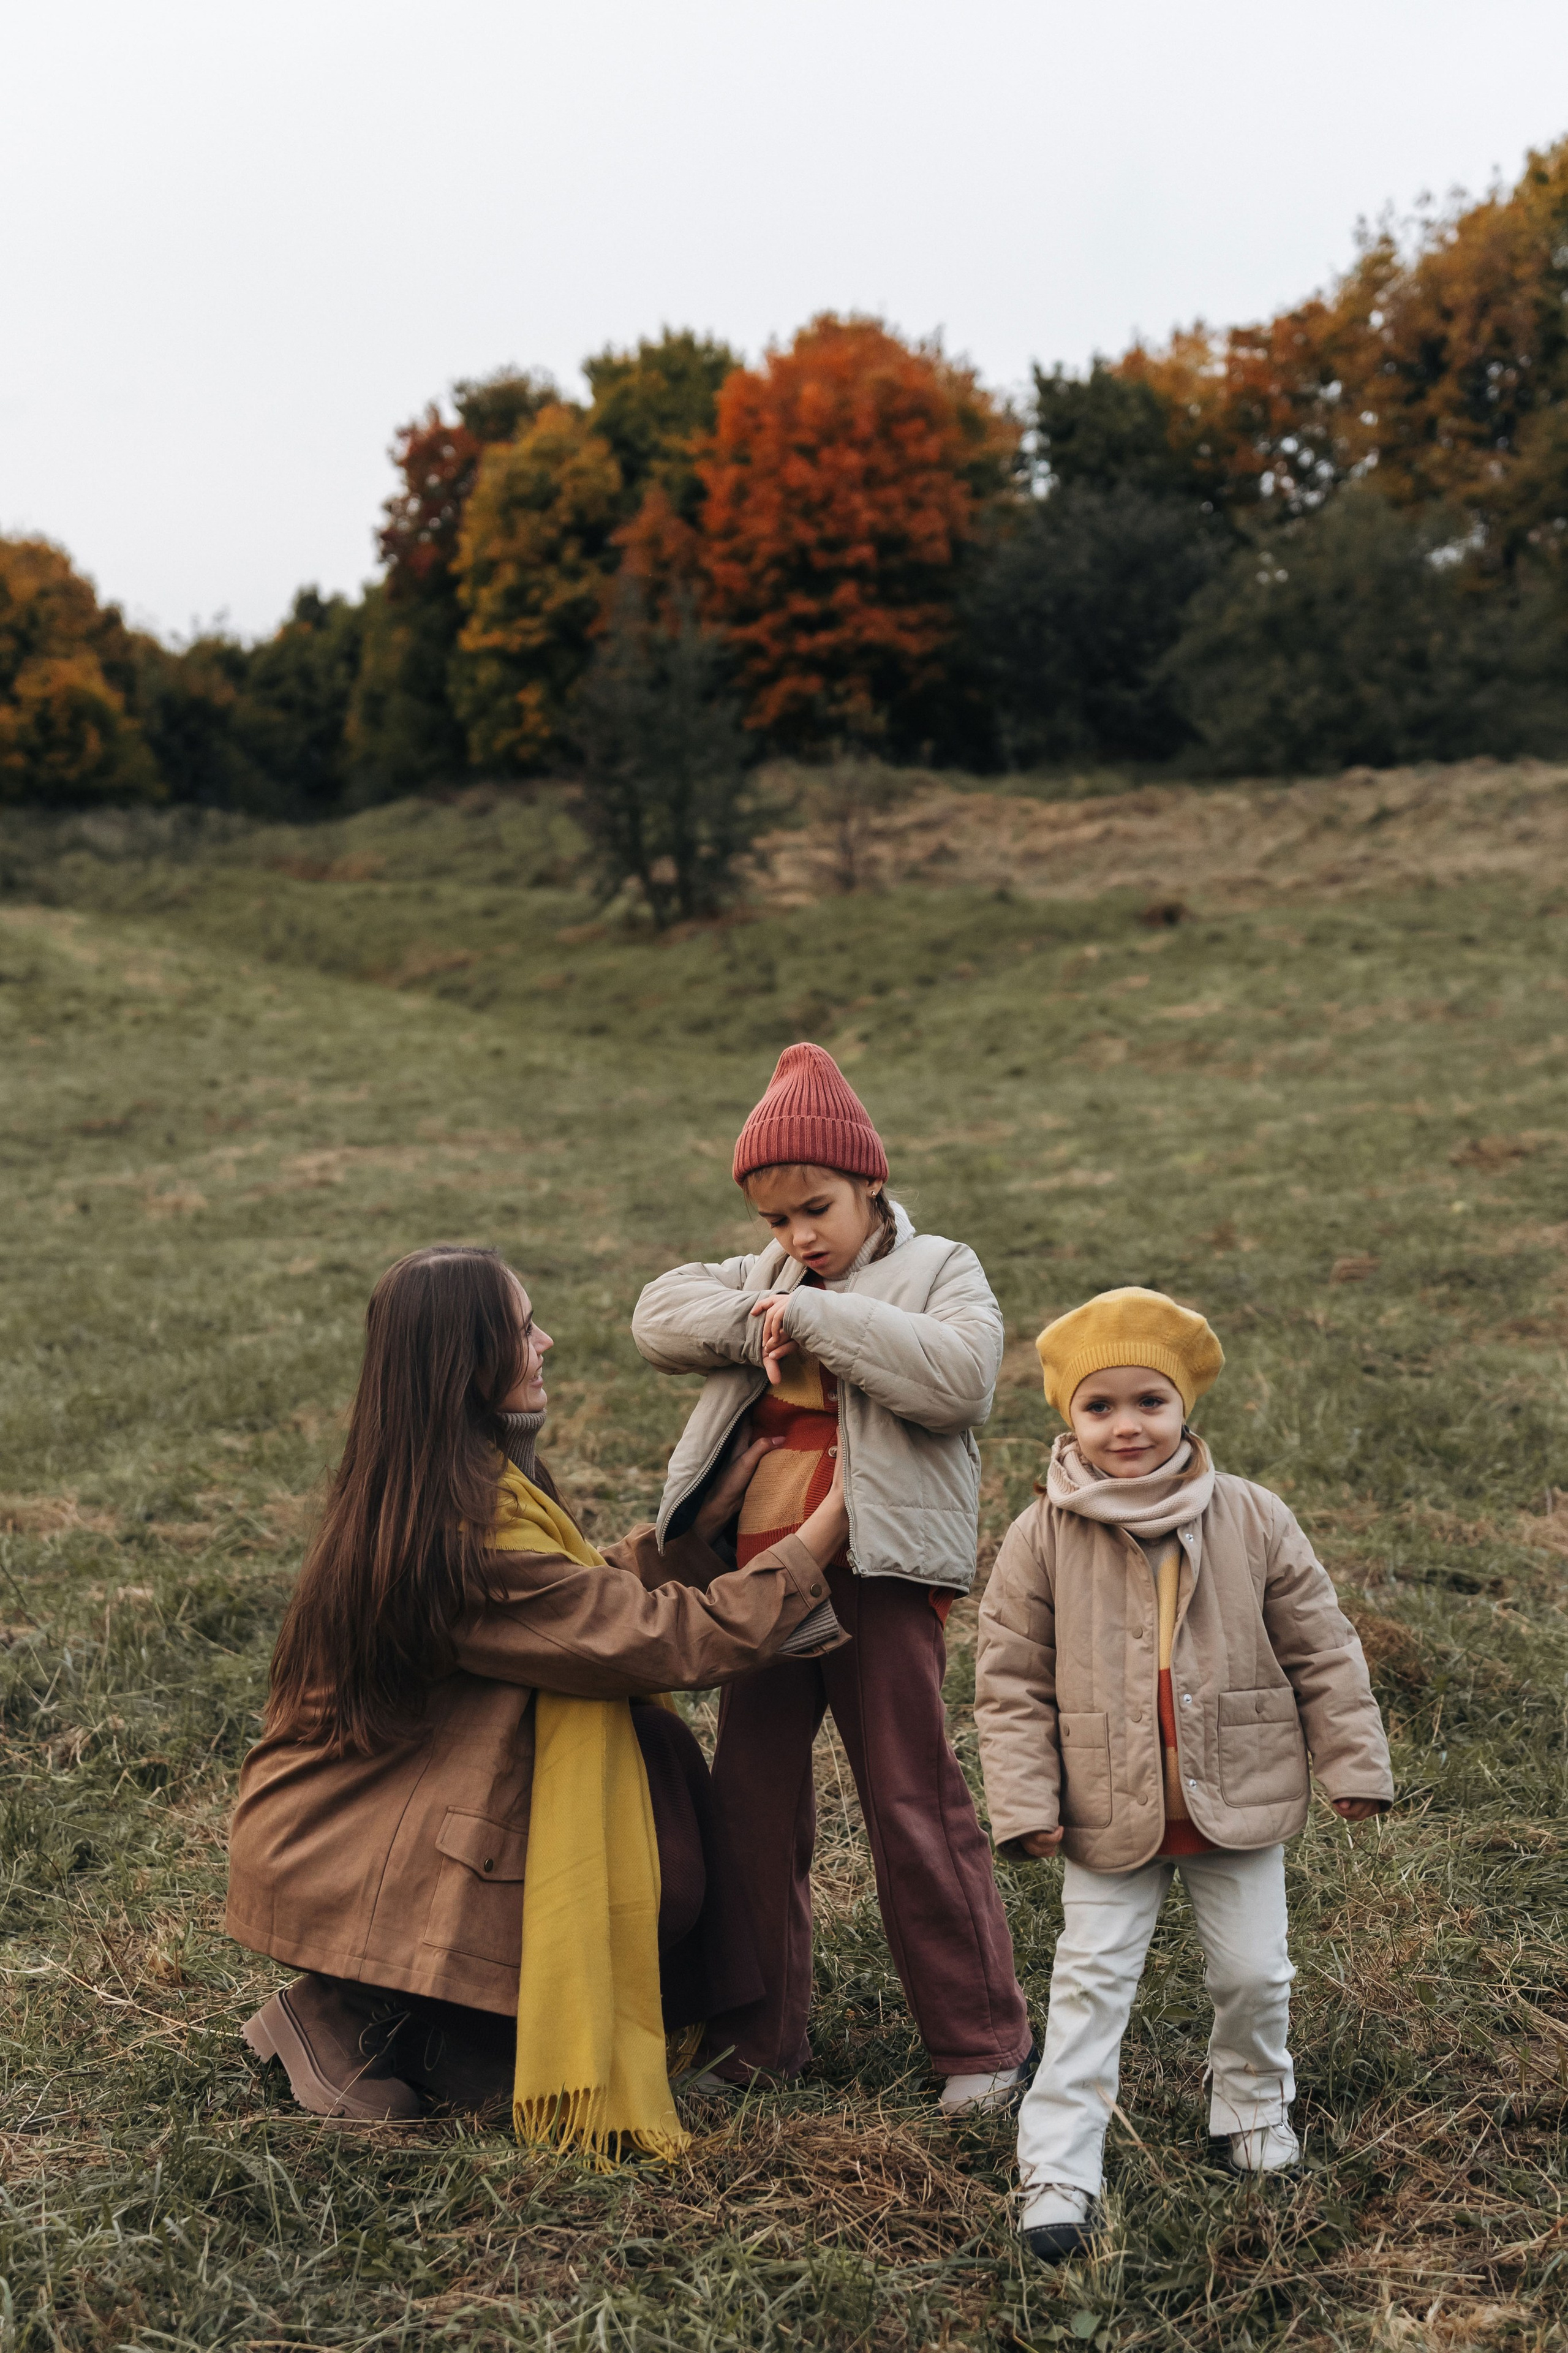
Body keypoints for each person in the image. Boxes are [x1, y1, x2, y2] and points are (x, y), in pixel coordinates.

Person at [227, 1243, 847, 2156]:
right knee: (634, 1856)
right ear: (467, 1364)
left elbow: (577, 1600)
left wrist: (694, 1534)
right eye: (524, 1329)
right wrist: (820, 1538)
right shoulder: (456, 1534)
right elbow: (646, 1638)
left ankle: (438, 2024)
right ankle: (347, 2003)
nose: (547, 1341)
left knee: (646, 1810)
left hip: (399, 1806)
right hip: (347, 1840)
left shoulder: (452, 1484)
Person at [631, 1043, 1033, 2117]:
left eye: (816, 1208)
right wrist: (762, 1309)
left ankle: (982, 2040)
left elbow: (959, 1380)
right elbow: (655, 1316)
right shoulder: (762, 1276)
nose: (798, 1238)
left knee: (910, 1793)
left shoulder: (943, 1267)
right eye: (774, 1220)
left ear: (871, 1184)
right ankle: (755, 2039)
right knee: (750, 1802)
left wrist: (811, 1320)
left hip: (879, 1575)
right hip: (765, 1582)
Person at [974, 1286, 1393, 2263]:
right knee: (1089, 1989)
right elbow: (1008, 1682)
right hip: (1108, 1809)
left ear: (1186, 1406)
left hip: (1236, 1797)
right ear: (1069, 1416)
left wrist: (1353, 1759)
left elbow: (1323, 1648)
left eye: (1149, 1401)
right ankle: (1060, 2169)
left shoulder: (1254, 1516)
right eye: (1100, 1405)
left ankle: (1249, 2111)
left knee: (1254, 1973)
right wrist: (1028, 1801)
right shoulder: (1042, 1533)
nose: (1126, 1425)